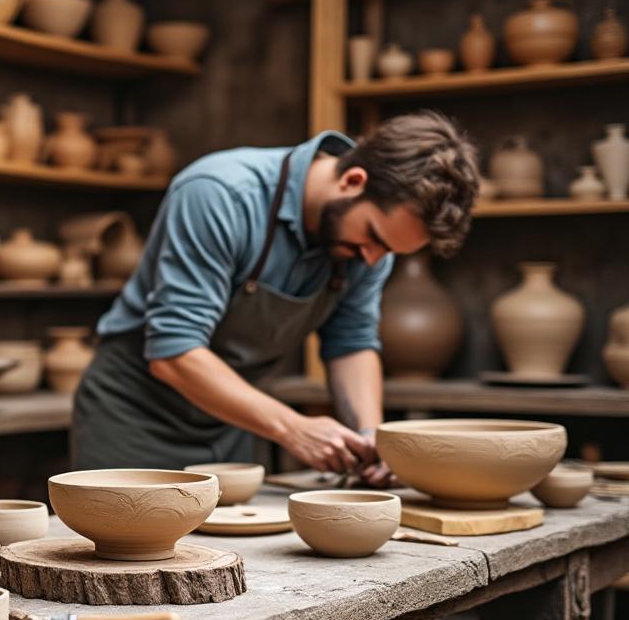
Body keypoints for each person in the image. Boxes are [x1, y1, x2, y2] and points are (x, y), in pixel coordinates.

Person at [72, 112, 479, 485]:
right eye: (372, 236)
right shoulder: (220, 195)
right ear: (353, 181)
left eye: (389, 251)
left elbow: (352, 343)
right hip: (133, 420)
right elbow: (173, 352)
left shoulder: (370, 250)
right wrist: (292, 428)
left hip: (230, 422)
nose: (374, 259)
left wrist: (373, 440)